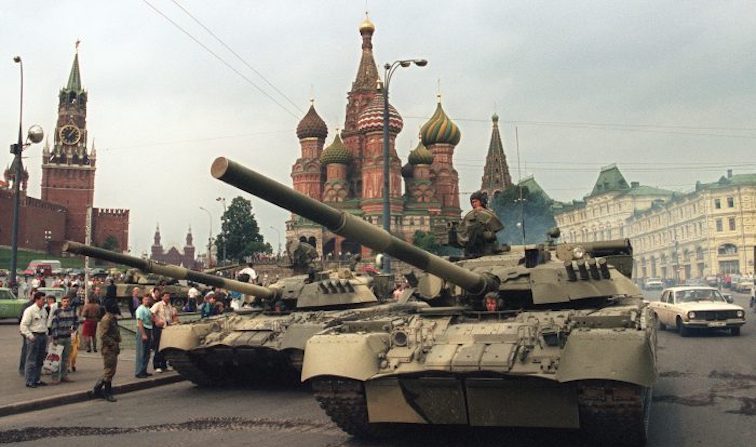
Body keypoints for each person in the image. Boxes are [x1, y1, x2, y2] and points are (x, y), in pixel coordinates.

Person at [457, 191, 504, 257]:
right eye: (472, 202)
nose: (474, 204)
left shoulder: (489, 212)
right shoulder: (470, 215)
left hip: (486, 243)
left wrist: (482, 213)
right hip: (472, 244)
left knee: (478, 228)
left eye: (476, 201)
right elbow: (463, 230)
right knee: (475, 228)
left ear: (481, 201)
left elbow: (496, 226)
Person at [93, 298, 121, 402]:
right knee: (109, 371)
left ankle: (98, 389)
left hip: (113, 347)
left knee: (111, 371)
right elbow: (103, 335)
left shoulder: (112, 318)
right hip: (108, 348)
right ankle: (106, 392)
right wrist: (112, 343)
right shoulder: (106, 319)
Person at [19, 292, 49, 388]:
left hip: (43, 335)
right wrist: (29, 336)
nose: (44, 301)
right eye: (42, 299)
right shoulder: (30, 310)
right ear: (36, 300)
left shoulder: (43, 310)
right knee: (31, 359)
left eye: (45, 299)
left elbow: (45, 323)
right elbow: (23, 325)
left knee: (40, 359)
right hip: (34, 335)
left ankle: (37, 379)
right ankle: (29, 381)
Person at [49, 295, 78, 383]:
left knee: (66, 358)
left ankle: (64, 376)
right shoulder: (57, 312)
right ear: (61, 302)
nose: (66, 303)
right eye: (64, 301)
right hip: (59, 338)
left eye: (67, 301)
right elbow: (53, 325)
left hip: (68, 337)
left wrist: (73, 329)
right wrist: (55, 337)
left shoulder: (72, 311)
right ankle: (55, 377)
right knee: (56, 358)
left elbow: (76, 321)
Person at [151, 292, 178, 373]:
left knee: (165, 347)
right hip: (159, 328)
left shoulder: (169, 306)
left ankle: (164, 365)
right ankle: (157, 365)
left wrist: (175, 321)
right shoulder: (158, 305)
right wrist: (157, 321)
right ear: (162, 297)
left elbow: (173, 315)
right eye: (166, 296)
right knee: (158, 347)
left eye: (168, 296)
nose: (167, 298)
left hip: (167, 328)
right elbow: (151, 313)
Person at [135, 294, 154, 378]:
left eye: (148, 299)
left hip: (149, 329)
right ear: (142, 300)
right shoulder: (140, 309)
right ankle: (139, 372)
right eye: (145, 299)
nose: (147, 301)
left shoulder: (148, 309)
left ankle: (144, 370)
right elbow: (140, 323)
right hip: (143, 330)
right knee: (141, 352)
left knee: (147, 352)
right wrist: (143, 334)